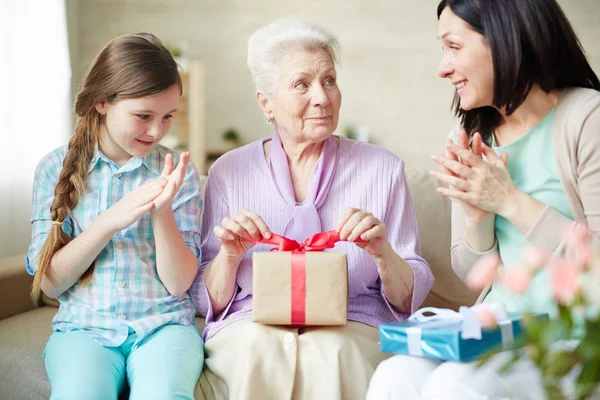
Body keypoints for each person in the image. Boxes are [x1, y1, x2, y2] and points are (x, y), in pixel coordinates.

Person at [189, 17, 433, 400]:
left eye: (330, 80)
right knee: (255, 349)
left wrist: (382, 252)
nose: (322, 96)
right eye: (302, 84)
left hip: (354, 323)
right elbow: (207, 298)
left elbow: (408, 296)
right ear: (266, 103)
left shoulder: (383, 168)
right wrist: (231, 256)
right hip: (251, 322)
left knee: (336, 352)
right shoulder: (228, 172)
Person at [367, 0, 600, 398]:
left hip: (570, 339)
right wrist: (478, 219)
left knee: (455, 386)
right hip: (496, 328)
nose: (443, 67)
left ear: (506, 40)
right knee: (394, 378)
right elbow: (472, 269)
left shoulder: (587, 118)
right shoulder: (477, 130)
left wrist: (509, 201)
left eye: (453, 47)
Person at [26, 33, 205, 400]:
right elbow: (50, 284)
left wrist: (162, 211)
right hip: (83, 331)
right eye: (143, 116)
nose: (157, 131)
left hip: (164, 328)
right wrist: (109, 220)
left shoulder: (177, 174)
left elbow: (178, 284)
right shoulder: (53, 170)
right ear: (102, 102)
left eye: (168, 116)